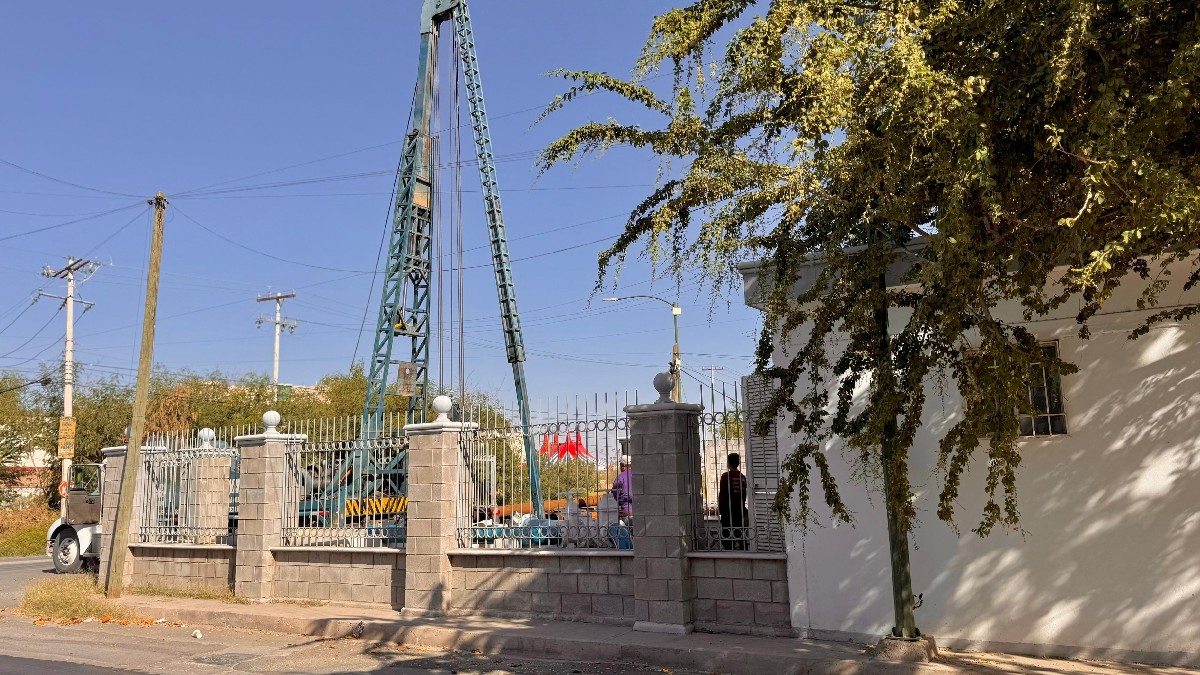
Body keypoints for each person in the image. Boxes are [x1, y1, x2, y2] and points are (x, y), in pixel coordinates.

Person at [718, 453, 749, 550]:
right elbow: (744, 495)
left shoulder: (726, 476)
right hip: (740, 511)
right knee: (740, 535)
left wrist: (721, 509)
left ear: (728, 463)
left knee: (727, 537)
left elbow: (722, 494)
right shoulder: (743, 477)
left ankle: (729, 555)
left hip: (728, 511)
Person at [611, 454, 633, 524]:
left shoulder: (620, 478)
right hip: (640, 511)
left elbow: (614, 496)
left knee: (626, 533)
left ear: (623, 466)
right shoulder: (639, 475)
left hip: (626, 512)